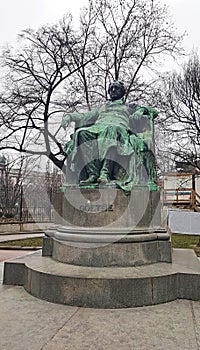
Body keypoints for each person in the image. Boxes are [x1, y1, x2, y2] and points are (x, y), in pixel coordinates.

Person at [62, 81, 158, 191]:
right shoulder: (102, 107)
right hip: (98, 128)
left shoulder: (128, 106)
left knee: (111, 130)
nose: (113, 90)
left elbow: (154, 112)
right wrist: (69, 116)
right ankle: (92, 173)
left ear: (122, 92)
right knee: (81, 133)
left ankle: (105, 172)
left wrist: (140, 111)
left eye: (116, 88)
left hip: (118, 129)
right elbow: (84, 116)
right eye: (111, 88)